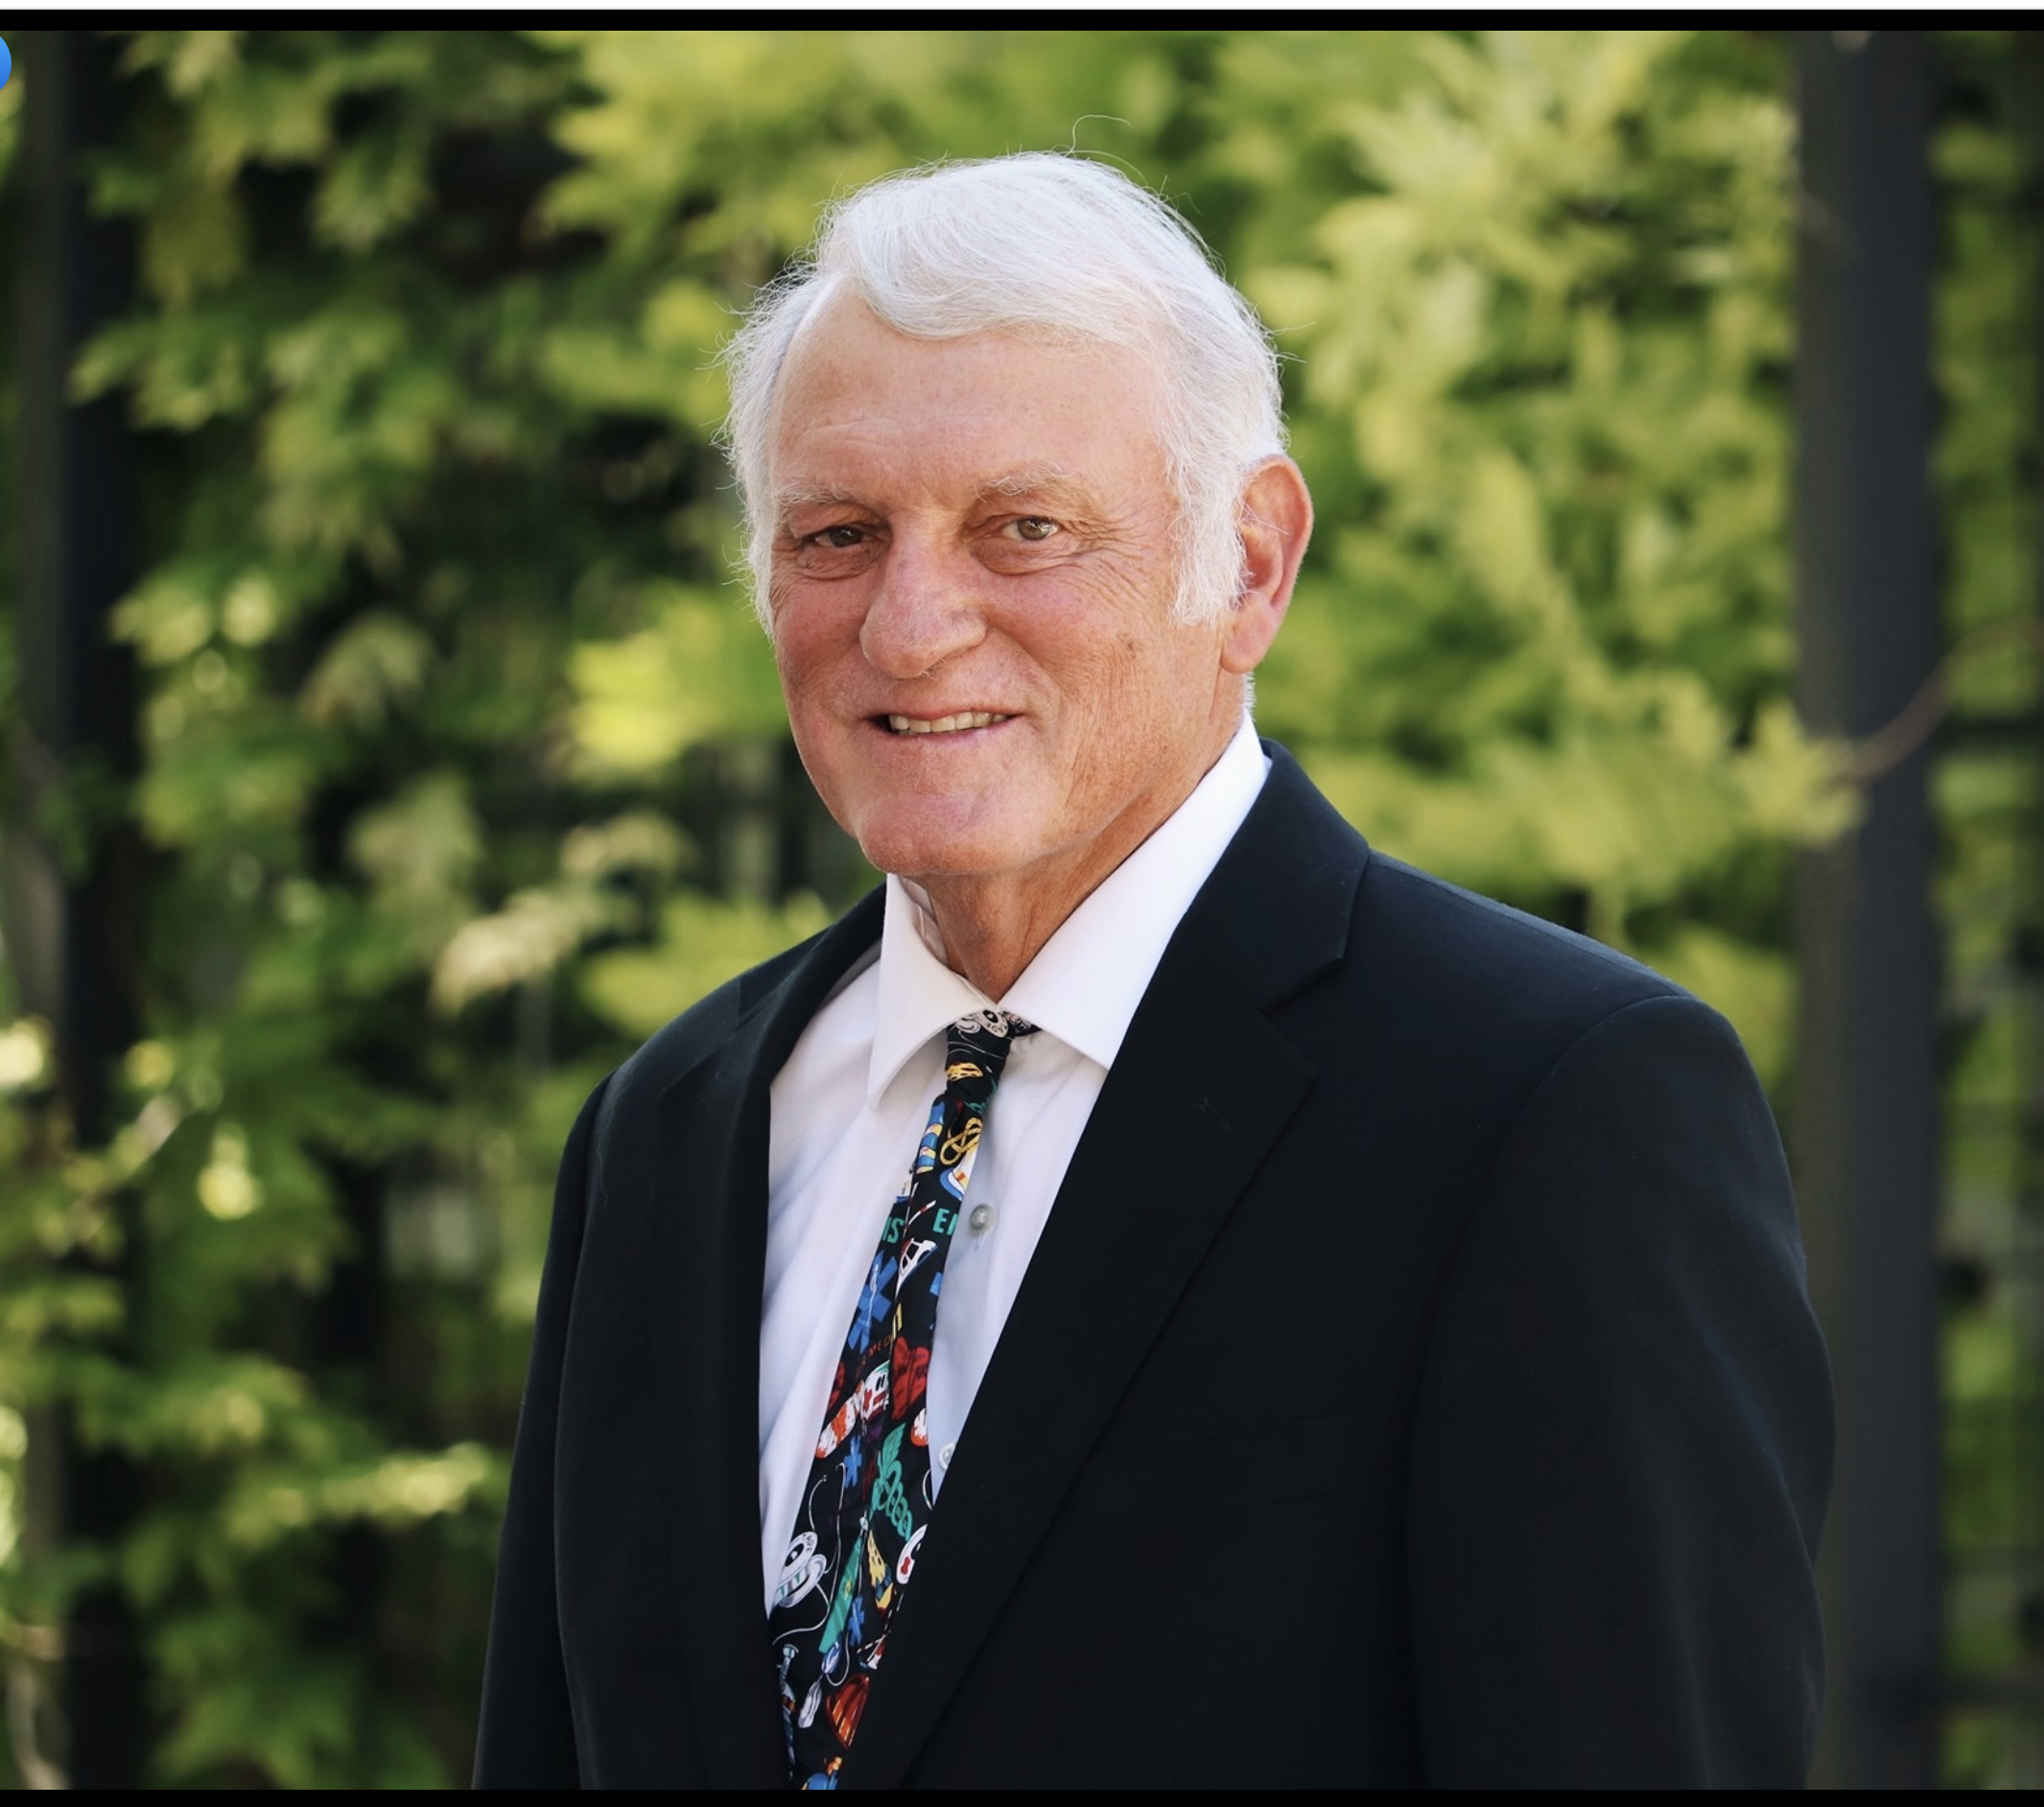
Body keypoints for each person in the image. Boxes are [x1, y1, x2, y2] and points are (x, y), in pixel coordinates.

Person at [474, 153, 1831, 1791]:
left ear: (1249, 563)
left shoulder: (1550, 1113)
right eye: (838, 534)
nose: (909, 625)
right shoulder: (668, 1129)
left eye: (1023, 529)